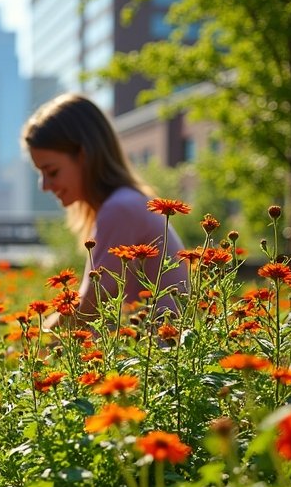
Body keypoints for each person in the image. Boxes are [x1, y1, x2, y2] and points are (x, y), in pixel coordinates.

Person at [22, 93, 189, 320]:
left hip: (157, 349)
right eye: (40, 173)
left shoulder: (119, 209)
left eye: (52, 172)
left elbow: (88, 307)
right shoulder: (125, 202)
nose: (44, 185)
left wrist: (30, 344)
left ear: (84, 156)